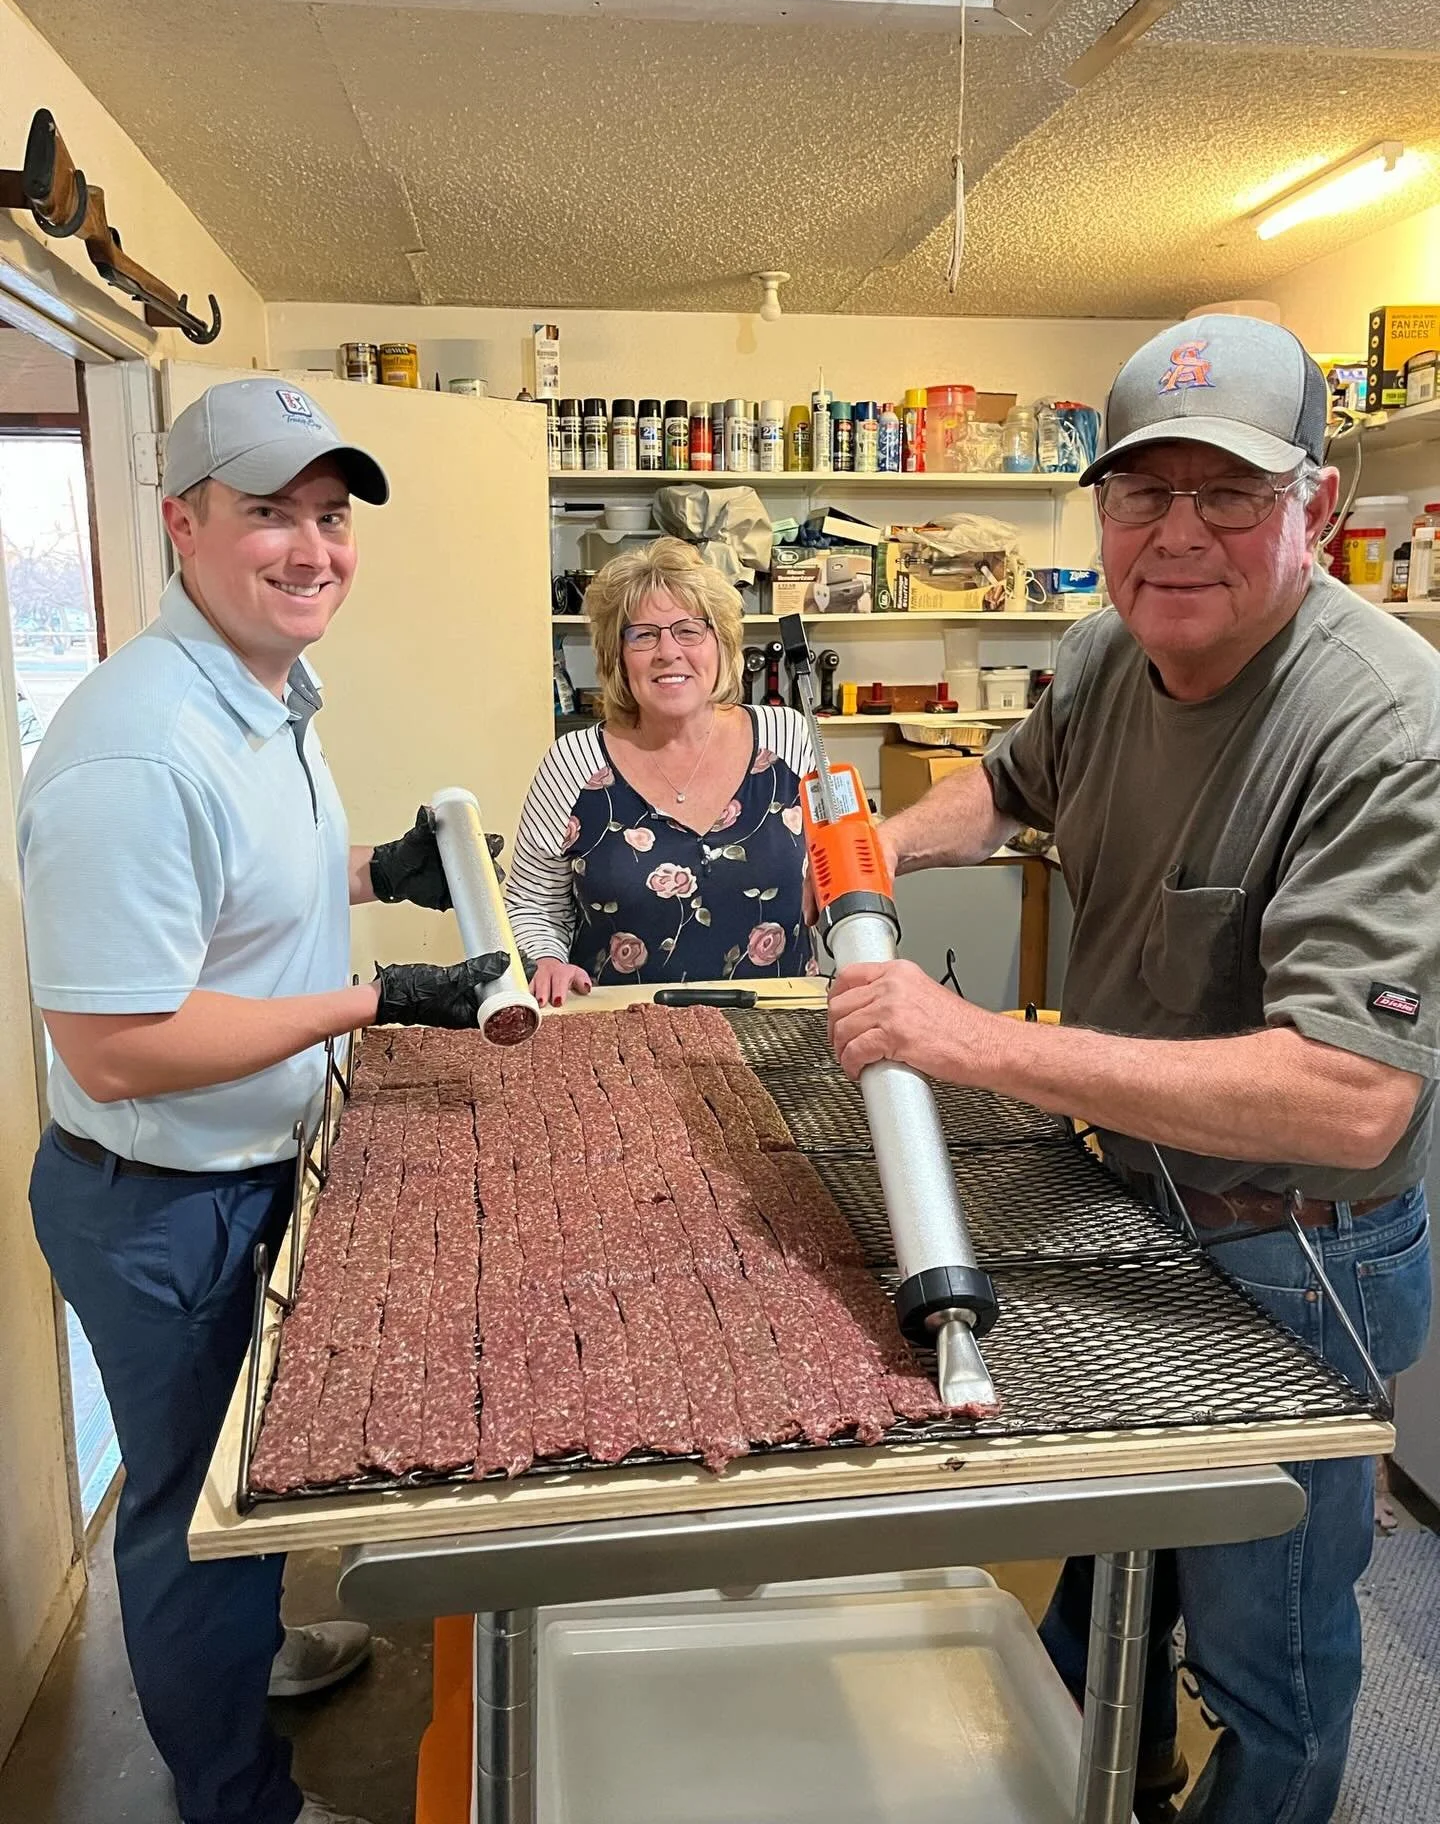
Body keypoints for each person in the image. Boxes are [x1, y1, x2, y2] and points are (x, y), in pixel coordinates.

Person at [827, 315, 1438, 1824]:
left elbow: (1351, 1095)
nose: (1177, 537)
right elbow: (1009, 787)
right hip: (1131, 1205)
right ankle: (1108, 1780)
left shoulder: (1386, 727)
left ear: (1320, 504)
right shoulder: (1113, 646)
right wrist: (875, 848)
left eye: (1226, 494)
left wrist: (968, 1041)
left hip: (1301, 1250)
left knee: (1267, 1654)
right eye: (1138, 493)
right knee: (1106, 1579)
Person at [19, 379, 511, 1824]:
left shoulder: (263, 694)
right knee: (192, 1526)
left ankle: (254, 1662)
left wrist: (376, 874)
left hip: (251, 1163)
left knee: (248, 1496)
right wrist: (381, 999)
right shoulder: (136, 745)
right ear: (182, 523)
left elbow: (232, 905)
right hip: (164, 1202)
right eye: (267, 517)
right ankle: (241, 1801)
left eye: (329, 516)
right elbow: (119, 1045)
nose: (310, 549)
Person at [507, 537, 816, 1000]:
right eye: (643, 634)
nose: (668, 652)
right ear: (617, 657)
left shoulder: (788, 738)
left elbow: (840, 872)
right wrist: (547, 960)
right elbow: (531, 903)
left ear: (722, 644)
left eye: (689, 630)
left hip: (780, 1032)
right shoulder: (573, 763)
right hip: (617, 1037)